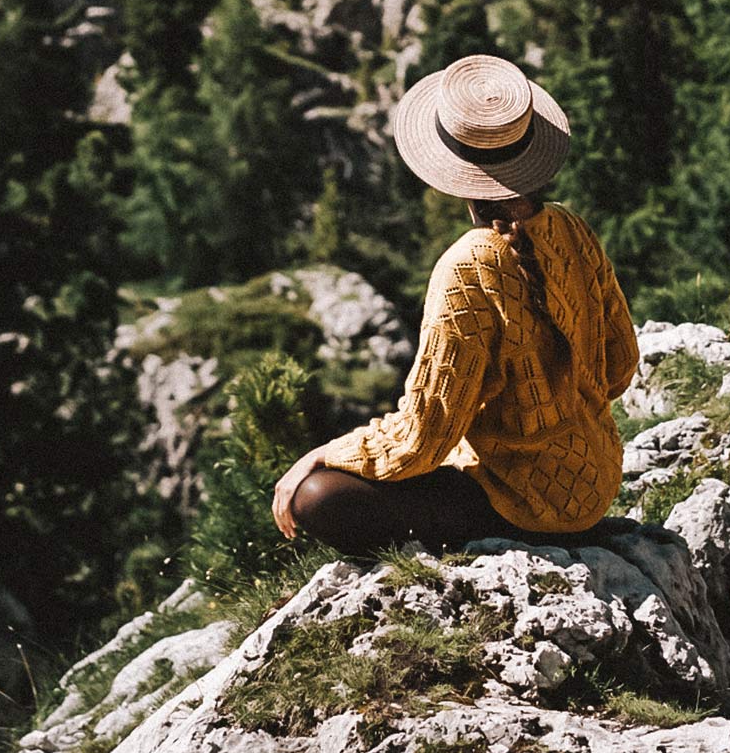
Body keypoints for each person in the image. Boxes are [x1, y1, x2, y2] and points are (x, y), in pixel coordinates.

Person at [272, 53, 639, 555]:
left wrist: (322, 455)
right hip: (593, 486)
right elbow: (620, 367)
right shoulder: (572, 230)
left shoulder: (467, 268)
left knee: (317, 498)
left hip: (523, 510)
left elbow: (423, 440)